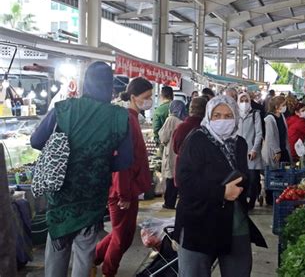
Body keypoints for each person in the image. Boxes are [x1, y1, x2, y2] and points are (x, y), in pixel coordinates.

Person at [30, 62, 132, 277]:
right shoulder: (120, 116)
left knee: (57, 250)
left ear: (86, 83)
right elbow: (125, 161)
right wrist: (99, 164)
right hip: (92, 196)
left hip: (61, 194)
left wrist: (65, 154)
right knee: (85, 253)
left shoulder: (64, 108)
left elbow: (36, 141)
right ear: (109, 85)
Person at [174, 95, 267, 277]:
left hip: (233, 220)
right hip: (199, 221)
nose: (222, 120)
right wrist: (221, 191)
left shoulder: (240, 143)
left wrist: (243, 186)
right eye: (217, 115)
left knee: (239, 269)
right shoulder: (196, 140)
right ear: (208, 116)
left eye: (228, 115)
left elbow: (243, 175)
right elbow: (185, 183)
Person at [95, 77, 154, 277]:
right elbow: (121, 160)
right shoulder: (127, 120)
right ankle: (108, 272)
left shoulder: (133, 118)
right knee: (121, 237)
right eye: (146, 97)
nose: (149, 100)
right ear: (133, 97)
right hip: (122, 191)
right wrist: (123, 194)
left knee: (123, 234)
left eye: (151, 97)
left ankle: (92, 260)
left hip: (130, 189)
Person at [237, 93, 263, 210]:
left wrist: (254, 149)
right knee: (240, 178)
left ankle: (252, 202)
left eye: (246, 100)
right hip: (238, 152)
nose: (244, 103)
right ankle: (241, 201)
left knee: (253, 179)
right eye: (241, 100)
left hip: (252, 152)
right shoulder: (235, 114)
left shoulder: (255, 114)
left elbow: (259, 133)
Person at [159, 100, 187, 209]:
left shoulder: (171, 119)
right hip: (179, 154)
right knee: (176, 177)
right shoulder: (183, 120)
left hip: (171, 153)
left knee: (170, 178)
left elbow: (164, 137)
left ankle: (169, 203)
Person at [262, 96, 291, 169]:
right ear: (276, 106)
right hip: (274, 152)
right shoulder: (269, 118)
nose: (285, 107)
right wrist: (277, 151)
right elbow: (270, 137)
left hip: (283, 149)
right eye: (283, 105)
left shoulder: (282, 116)